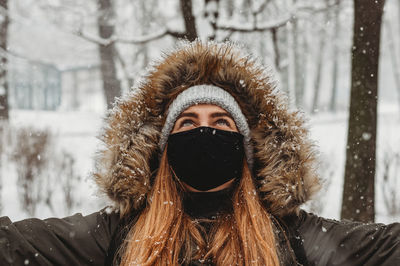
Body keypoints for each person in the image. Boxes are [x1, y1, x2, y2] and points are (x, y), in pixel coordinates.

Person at [1, 41, 399, 266]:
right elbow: (13, 245)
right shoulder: (117, 232)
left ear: (245, 148)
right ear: (163, 147)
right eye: (187, 123)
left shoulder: (294, 235)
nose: (204, 131)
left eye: (222, 122)